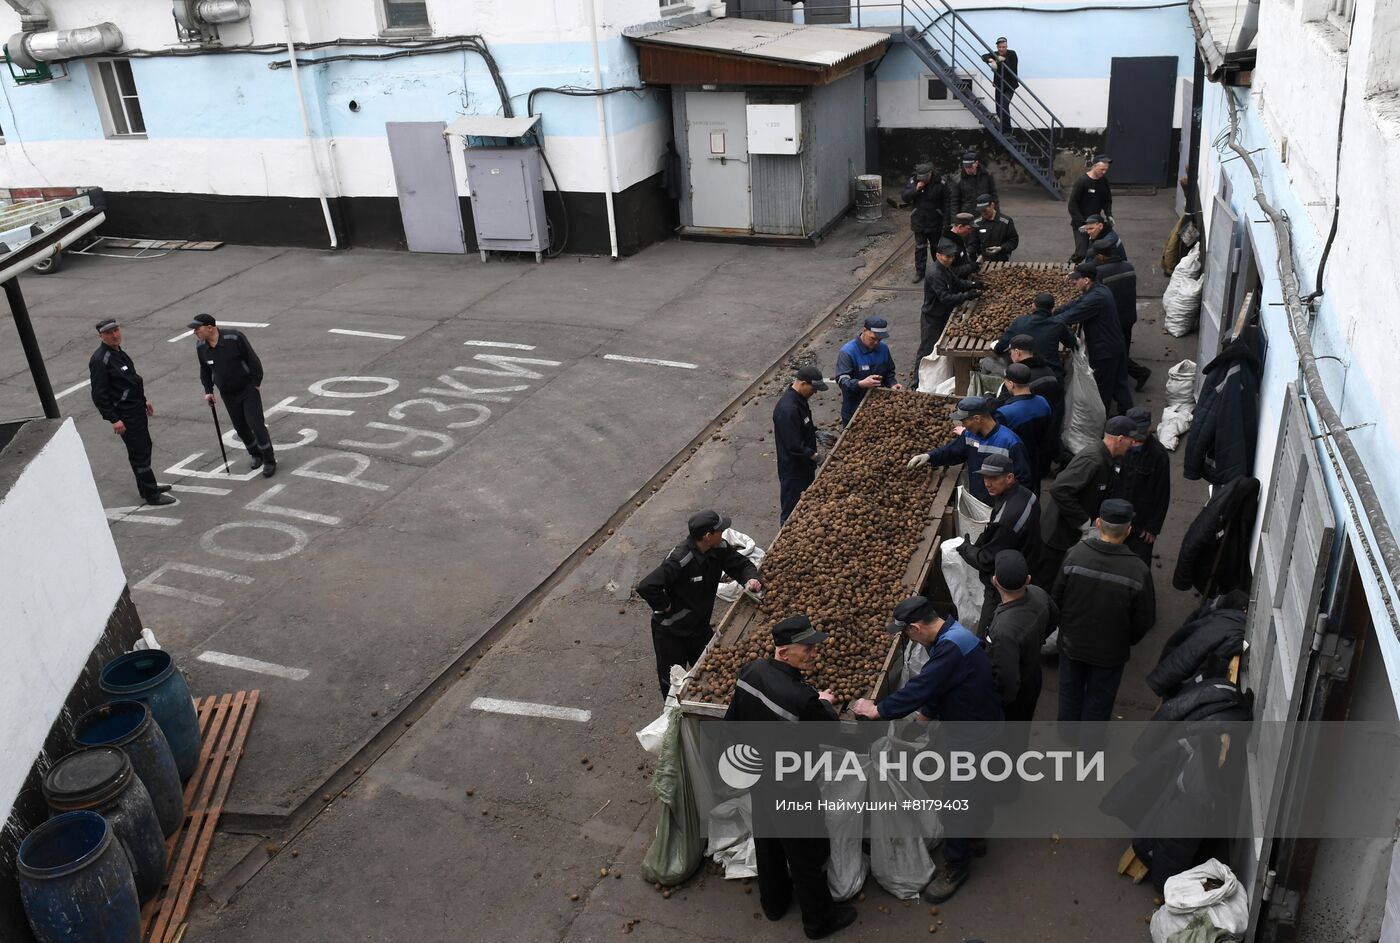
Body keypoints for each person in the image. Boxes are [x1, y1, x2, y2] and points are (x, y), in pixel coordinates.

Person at [851, 596, 1002, 903]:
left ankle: (956, 865)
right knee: (977, 786)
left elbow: (922, 686)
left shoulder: (949, 648)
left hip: (972, 734)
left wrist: (878, 709)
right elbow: (942, 684)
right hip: (981, 723)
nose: (908, 638)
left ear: (917, 628)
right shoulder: (950, 634)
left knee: (957, 799)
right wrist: (924, 719)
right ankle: (976, 836)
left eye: (906, 633)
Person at [725, 615, 858, 940]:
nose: (814, 652)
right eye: (807, 648)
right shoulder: (802, 699)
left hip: (759, 778)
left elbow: (732, 723)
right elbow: (831, 730)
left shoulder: (750, 672)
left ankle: (773, 903)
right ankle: (818, 922)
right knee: (806, 854)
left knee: (768, 841)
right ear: (784, 652)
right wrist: (824, 702)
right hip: (793, 787)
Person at [636, 510, 762, 697]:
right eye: (720, 530)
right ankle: (673, 716)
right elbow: (647, 586)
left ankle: (705, 704)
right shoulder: (680, 559)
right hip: (671, 631)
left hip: (698, 625)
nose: (724, 532)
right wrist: (666, 606)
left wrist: (750, 579)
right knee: (672, 683)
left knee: (711, 668)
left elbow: (741, 565)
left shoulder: (718, 548)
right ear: (708, 536)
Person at [1052, 498, 1156, 723]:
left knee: (1070, 691)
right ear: (1128, 530)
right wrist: (1124, 640)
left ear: (1098, 523)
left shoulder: (1074, 555)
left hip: (1072, 643)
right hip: (1111, 651)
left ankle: (1067, 734)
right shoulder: (1138, 571)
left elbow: (1057, 599)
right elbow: (1143, 620)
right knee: (1100, 698)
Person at [1035, 416, 1135, 589]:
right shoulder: (1093, 460)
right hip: (1056, 537)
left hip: (1069, 535)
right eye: (1130, 440)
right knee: (1045, 582)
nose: (1132, 444)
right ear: (1120, 439)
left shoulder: (1108, 459)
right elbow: (1060, 489)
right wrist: (1084, 522)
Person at [89, 319, 175, 506]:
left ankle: (147, 487)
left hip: (136, 409)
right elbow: (99, 394)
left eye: (116, 330)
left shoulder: (118, 352)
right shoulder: (101, 360)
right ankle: (151, 494)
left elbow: (131, 381)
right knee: (139, 453)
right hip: (125, 415)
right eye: (109, 333)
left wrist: (144, 401)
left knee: (144, 447)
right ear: (101, 336)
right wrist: (114, 419)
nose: (114, 335)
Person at [956, 454, 1041, 629]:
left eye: (994, 478)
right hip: (1029, 562)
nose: (987, 483)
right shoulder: (1028, 495)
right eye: (985, 477)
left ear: (1009, 478)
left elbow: (987, 560)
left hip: (1005, 583)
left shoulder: (1006, 519)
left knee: (990, 628)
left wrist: (965, 549)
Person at [190, 314, 276, 478]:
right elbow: (205, 370)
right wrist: (208, 391)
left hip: (247, 389)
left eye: (197, 328)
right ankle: (255, 454)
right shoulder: (201, 346)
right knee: (241, 427)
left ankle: (269, 460)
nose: (195, 332)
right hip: (228, 394)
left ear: (210, 327)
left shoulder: (234, 338)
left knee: (255, 424)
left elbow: (252, 360)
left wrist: (256, 383)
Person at [907, 395, 1031, 505]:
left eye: (964, 421)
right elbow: (952, 451)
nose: (962, 425)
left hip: (1001, 504)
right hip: (977, 500)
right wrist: (929, 456)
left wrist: (1009, 508)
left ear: (977, 418)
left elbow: (1023, 480)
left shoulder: (1010, 442)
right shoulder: (969, 435)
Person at [985, 550, 1056, 722]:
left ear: (995, 581)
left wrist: (997, 704)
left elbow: (1007, 680)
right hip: (1033, 675)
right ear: (1028, 579)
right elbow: (1054, 619)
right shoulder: (1039, 593)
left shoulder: (1004, 629)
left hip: (1016, 694)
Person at [1053, 262, 1132, 416]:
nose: (1073, 282)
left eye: (1077, 279)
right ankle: (1128, 415)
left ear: (1087, 280)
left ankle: (1100, 423)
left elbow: (1072, 315)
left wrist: (1045, 321)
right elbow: (1075, 304)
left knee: (1103, 389)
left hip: (1105, 350)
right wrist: (1054, 311)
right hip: (1115, 343)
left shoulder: (1095, 299)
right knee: (1119, 384)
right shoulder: (1099, 289)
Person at [913, 242, 983, 387]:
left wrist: (974, 284)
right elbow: (945, 297)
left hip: (943, 313)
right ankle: (916, 383)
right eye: (947, 256)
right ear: (938, 255)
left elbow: (956, 283)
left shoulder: (945, 268)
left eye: (952, 256)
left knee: (942, 346)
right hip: (932, 317)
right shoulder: (935, 273)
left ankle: (942, 376)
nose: (950, 259)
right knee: (926, 349)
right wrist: (967, 296)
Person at [1108, 406, 1171, 566]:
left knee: (1138, 565)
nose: (1136, 440)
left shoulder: (1158, 455)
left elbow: (1162, 493)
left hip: (1140, 524)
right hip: (1114, 519)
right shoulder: (1119, 446)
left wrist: (1153, 527)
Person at [1092, 238, 1149, 391]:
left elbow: (1095, 295)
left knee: (1114, 351)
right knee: (1123, 347)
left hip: (1113, 319)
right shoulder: (1129, 266)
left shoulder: (1099, 273)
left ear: (1101, 257)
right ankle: (1129, 374)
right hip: (1128, 316)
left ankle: (1138, 373)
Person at [772, 365, 827, 523]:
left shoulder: (800, 400)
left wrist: (816, 431)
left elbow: (803, 425)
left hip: (805, 467)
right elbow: (793, 444)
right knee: (791, 511)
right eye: (813, 388)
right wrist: (815, 456)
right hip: (793, 471)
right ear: (802, 383)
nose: (815, 392)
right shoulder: (787, 409)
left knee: (805, 504)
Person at [992, 363, 1051, 488]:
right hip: (1037, 459)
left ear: (1011, 384)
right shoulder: (1043, 402)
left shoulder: (1005, 413)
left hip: (1015, 466)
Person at [835, 316, 901, 426]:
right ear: (864, 330)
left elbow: (889, 372)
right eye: (873, 338)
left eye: (879, 340)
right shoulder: (847, 352)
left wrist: (893, 384)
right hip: (854, 409)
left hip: (880, 407)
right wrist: (860, 384)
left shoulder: (883, 348)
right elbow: (842, 380)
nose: (876, 343)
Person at [993, 294, 1077, 376]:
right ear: (1052, 309)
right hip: (1052, 374)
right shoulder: (1058, 324)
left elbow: (1001, 346)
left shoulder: (1020, 321)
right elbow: (1071, 343)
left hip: (1024, 375)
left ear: (1033, 306)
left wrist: (996, 348)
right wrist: (1066, 326)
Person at [903, 162, 949, 283]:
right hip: (919, 220)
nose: (923, 180)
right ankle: (920, 272)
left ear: (930, 174)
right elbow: (905, 197)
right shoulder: (913, 182)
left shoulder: (941, 183)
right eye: (920, 177)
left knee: (936, 248)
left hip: (935, 221)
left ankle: (939, 271)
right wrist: (916, 190)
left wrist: (947, 222)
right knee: (920, 248)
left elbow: (947, 203)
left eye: (925, 177)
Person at [1067, 155, 1112, 263]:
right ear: (1094, 166)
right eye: (1102, 169)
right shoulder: (1082, 181)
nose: (1104, 172)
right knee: (1081, 253)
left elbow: (1107, 200)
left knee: (1098, 251)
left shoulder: (1104, 181)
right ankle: (1069, 268)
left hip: (1096, 223)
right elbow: (1072, 205)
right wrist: (1082, 223)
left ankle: (1089, 274)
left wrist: (1109, 215)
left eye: (1106, 170)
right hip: (1081, 223)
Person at [981, 37, 1019, 133]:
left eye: (1004, 47)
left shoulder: (1012, 54)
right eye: (1000, 47)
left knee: (1004, 106)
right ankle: (1003, 127)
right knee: (999, 109)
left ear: (1007, 46)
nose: (1002, 49)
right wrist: (992, 60)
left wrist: (1003, 60)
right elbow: (984, 56)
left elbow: (1012, 68)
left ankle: (1007, 130)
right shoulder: (996, 54)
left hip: (1010, 86)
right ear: (997, 47)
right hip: (999, 85)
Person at [968, 194, 1019, 263]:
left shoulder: (1006, 221)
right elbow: (973, 244)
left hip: (1002, 259)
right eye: (980, 211)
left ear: (992, 205)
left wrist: (1000, 248)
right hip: (983, 260)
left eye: (985, 210)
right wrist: (968, 253)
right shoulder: (977, 223)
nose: (983, 213)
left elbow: (1013, 241)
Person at [947, 152, 997, 219]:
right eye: (966, 166)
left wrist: (996, 214)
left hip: (985, 213)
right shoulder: (958, 180)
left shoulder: (987, 175)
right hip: (967, 215)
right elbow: (954, 202)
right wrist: (955, 221)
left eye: (970, 166)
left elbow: (994, 195)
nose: (968, 169)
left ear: (976, 163)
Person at [941, 213, 981, 277]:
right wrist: (970, 267)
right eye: (969, 228)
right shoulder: (947, 246)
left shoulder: (958, 238)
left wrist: (971, 264)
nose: (970, 232)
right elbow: (948, 272)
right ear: (960, 227)